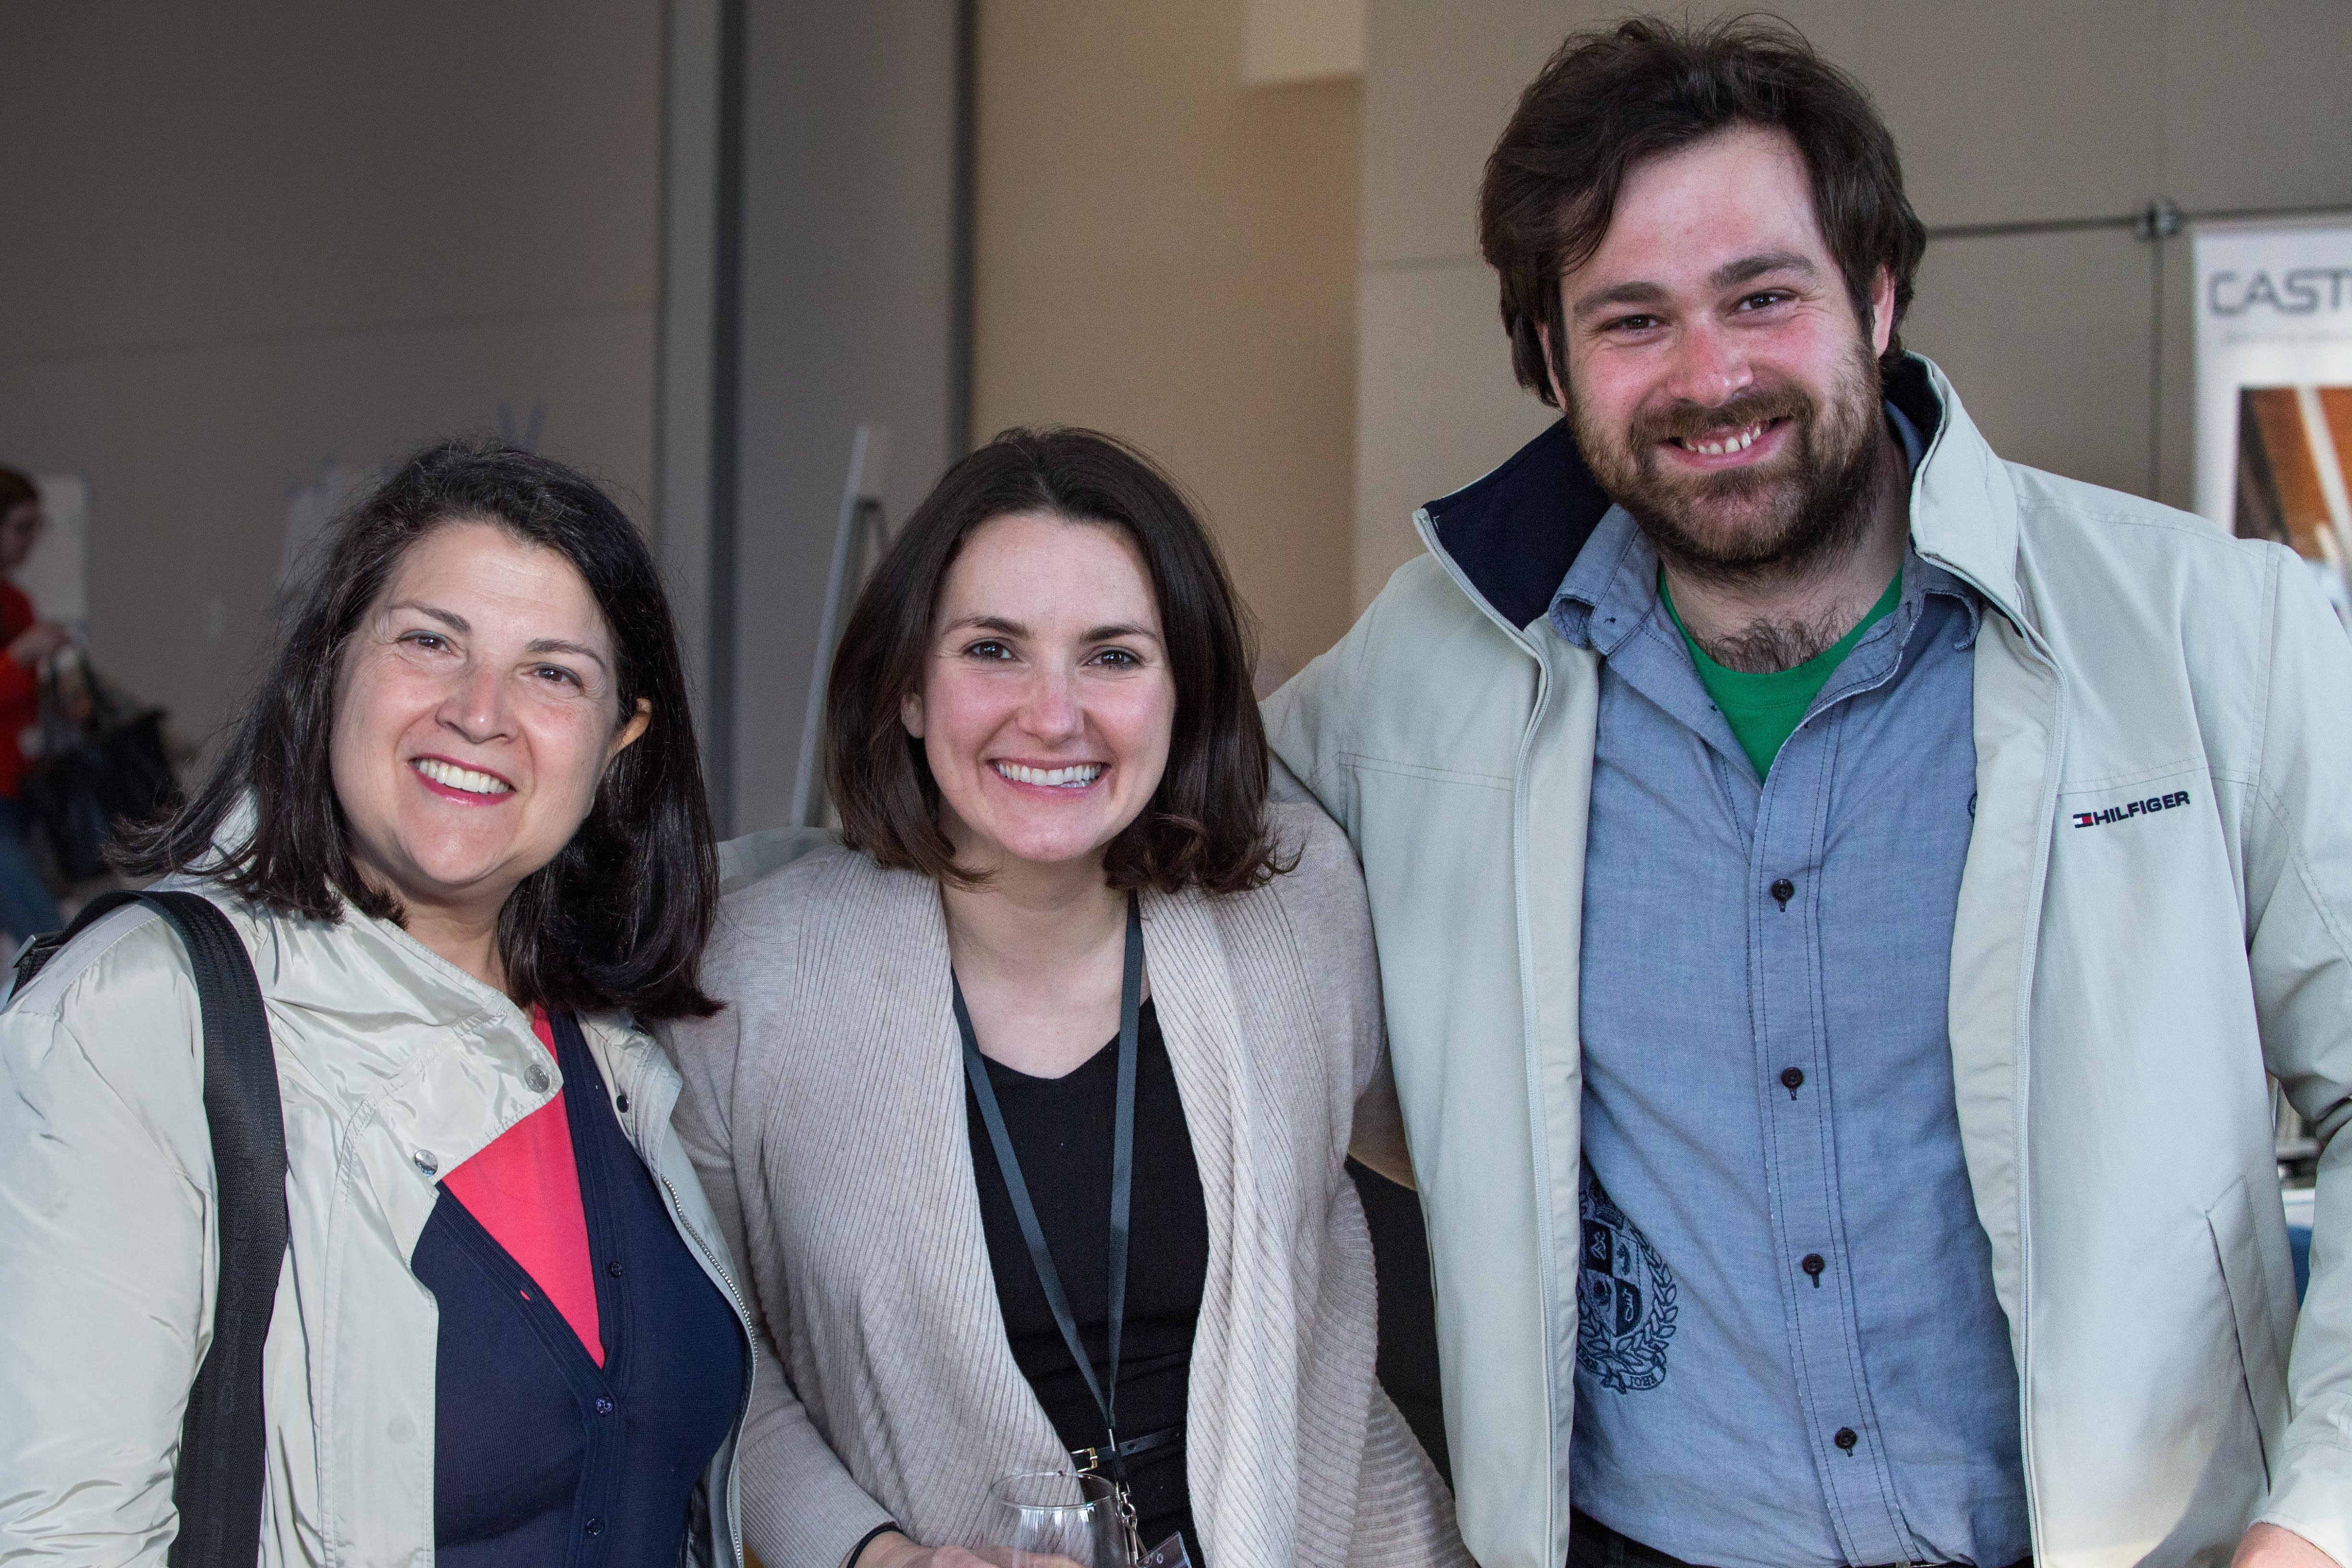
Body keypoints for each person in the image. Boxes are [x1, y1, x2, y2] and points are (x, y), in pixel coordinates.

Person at [1264, 18, 2351, 1568]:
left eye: (1762, 296)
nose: (1710, 375)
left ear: (1877, 296)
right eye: (1631, 319)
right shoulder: (1417, 683)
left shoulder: (2207, 634)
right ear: (1551, 360)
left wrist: (2317, 1517)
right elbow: (1143, 888)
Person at [665, 428, 1466, 1568]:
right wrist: (873, 1556)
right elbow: (706, 1359)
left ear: (1183, 692)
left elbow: (1489, 1167)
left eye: (1112, 656)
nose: (1053, 714)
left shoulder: (1302, 908)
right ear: (907, 687)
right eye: (993, 649)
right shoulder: (751, 982)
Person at [0, 440, 755, 1566]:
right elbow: (57, 1537)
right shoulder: (147, 1017)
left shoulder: (607, 1050)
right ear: (331, 664)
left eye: (554, 673)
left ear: (620, 738)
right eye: (429, 641)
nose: (480, 711)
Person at [0, 467, 73, 941]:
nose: (30, 541)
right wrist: (19, 656)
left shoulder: (17, 602)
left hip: (19, 788)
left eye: (36, 528)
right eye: (21, 528)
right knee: (46, 936)